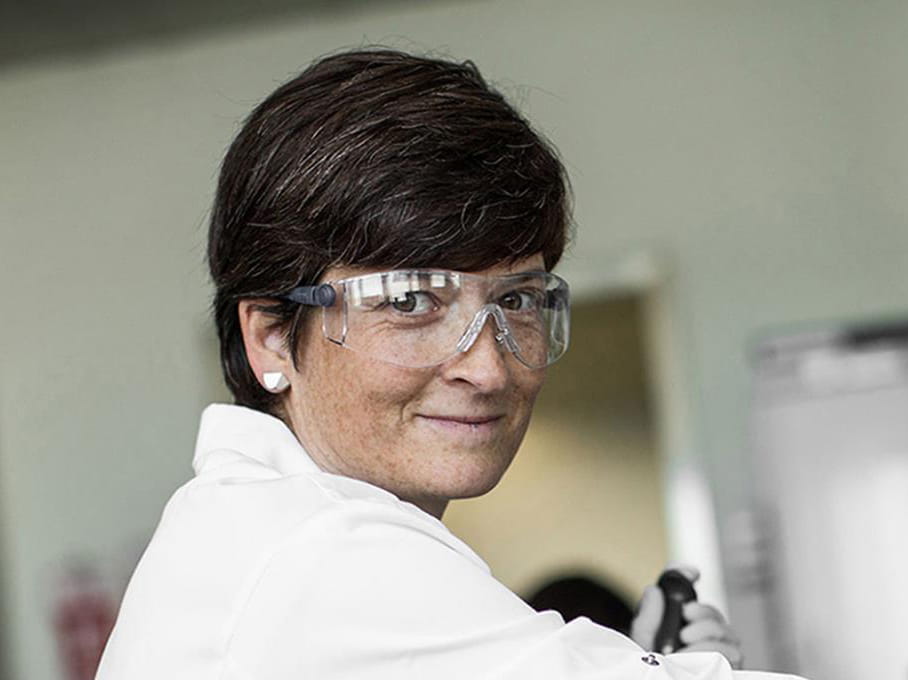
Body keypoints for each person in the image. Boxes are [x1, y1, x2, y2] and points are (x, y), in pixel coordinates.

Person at [96, 49, 786, 679]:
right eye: (409, 301)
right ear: (272, 336)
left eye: (517, 299)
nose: (487, 369)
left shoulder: (258, 536)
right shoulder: (322, 552)